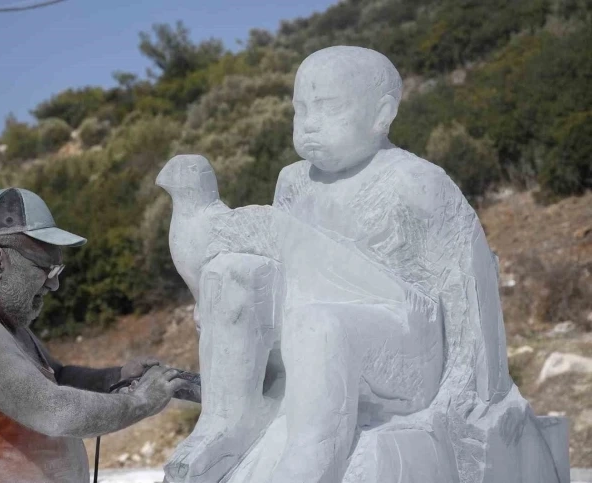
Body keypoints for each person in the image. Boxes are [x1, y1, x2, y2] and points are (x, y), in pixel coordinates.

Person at [165, 46, 563, 483]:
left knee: (319, 325)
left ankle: (311, 459)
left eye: (328, 107)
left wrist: (468, 396)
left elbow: (468, 292)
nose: (310, 122)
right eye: (301, 109)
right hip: (309, 337)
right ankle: (226, 421)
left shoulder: (415, 181)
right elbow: (278, 270)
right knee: (235, 273)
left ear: (382, 114)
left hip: (405, 348)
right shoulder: (294, 181)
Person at [0, 187, 191, 483]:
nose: (54, 286)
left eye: (58, 271)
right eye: (46, 270)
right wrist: (141, 402)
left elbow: (56, 377)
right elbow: (54, 410)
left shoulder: (1, 324)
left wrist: (114, 378)